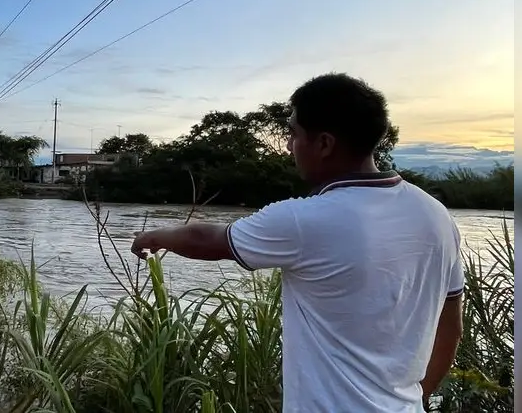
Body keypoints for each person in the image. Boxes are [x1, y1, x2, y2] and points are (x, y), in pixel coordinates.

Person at [131, 73, 464, 413]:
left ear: (324, 144)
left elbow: (209, 240)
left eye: (293, 133)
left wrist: (156, 236)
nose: (289, 145)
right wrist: (420, 395)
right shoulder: (437, 216)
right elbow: (451, 326)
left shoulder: (306, 219)